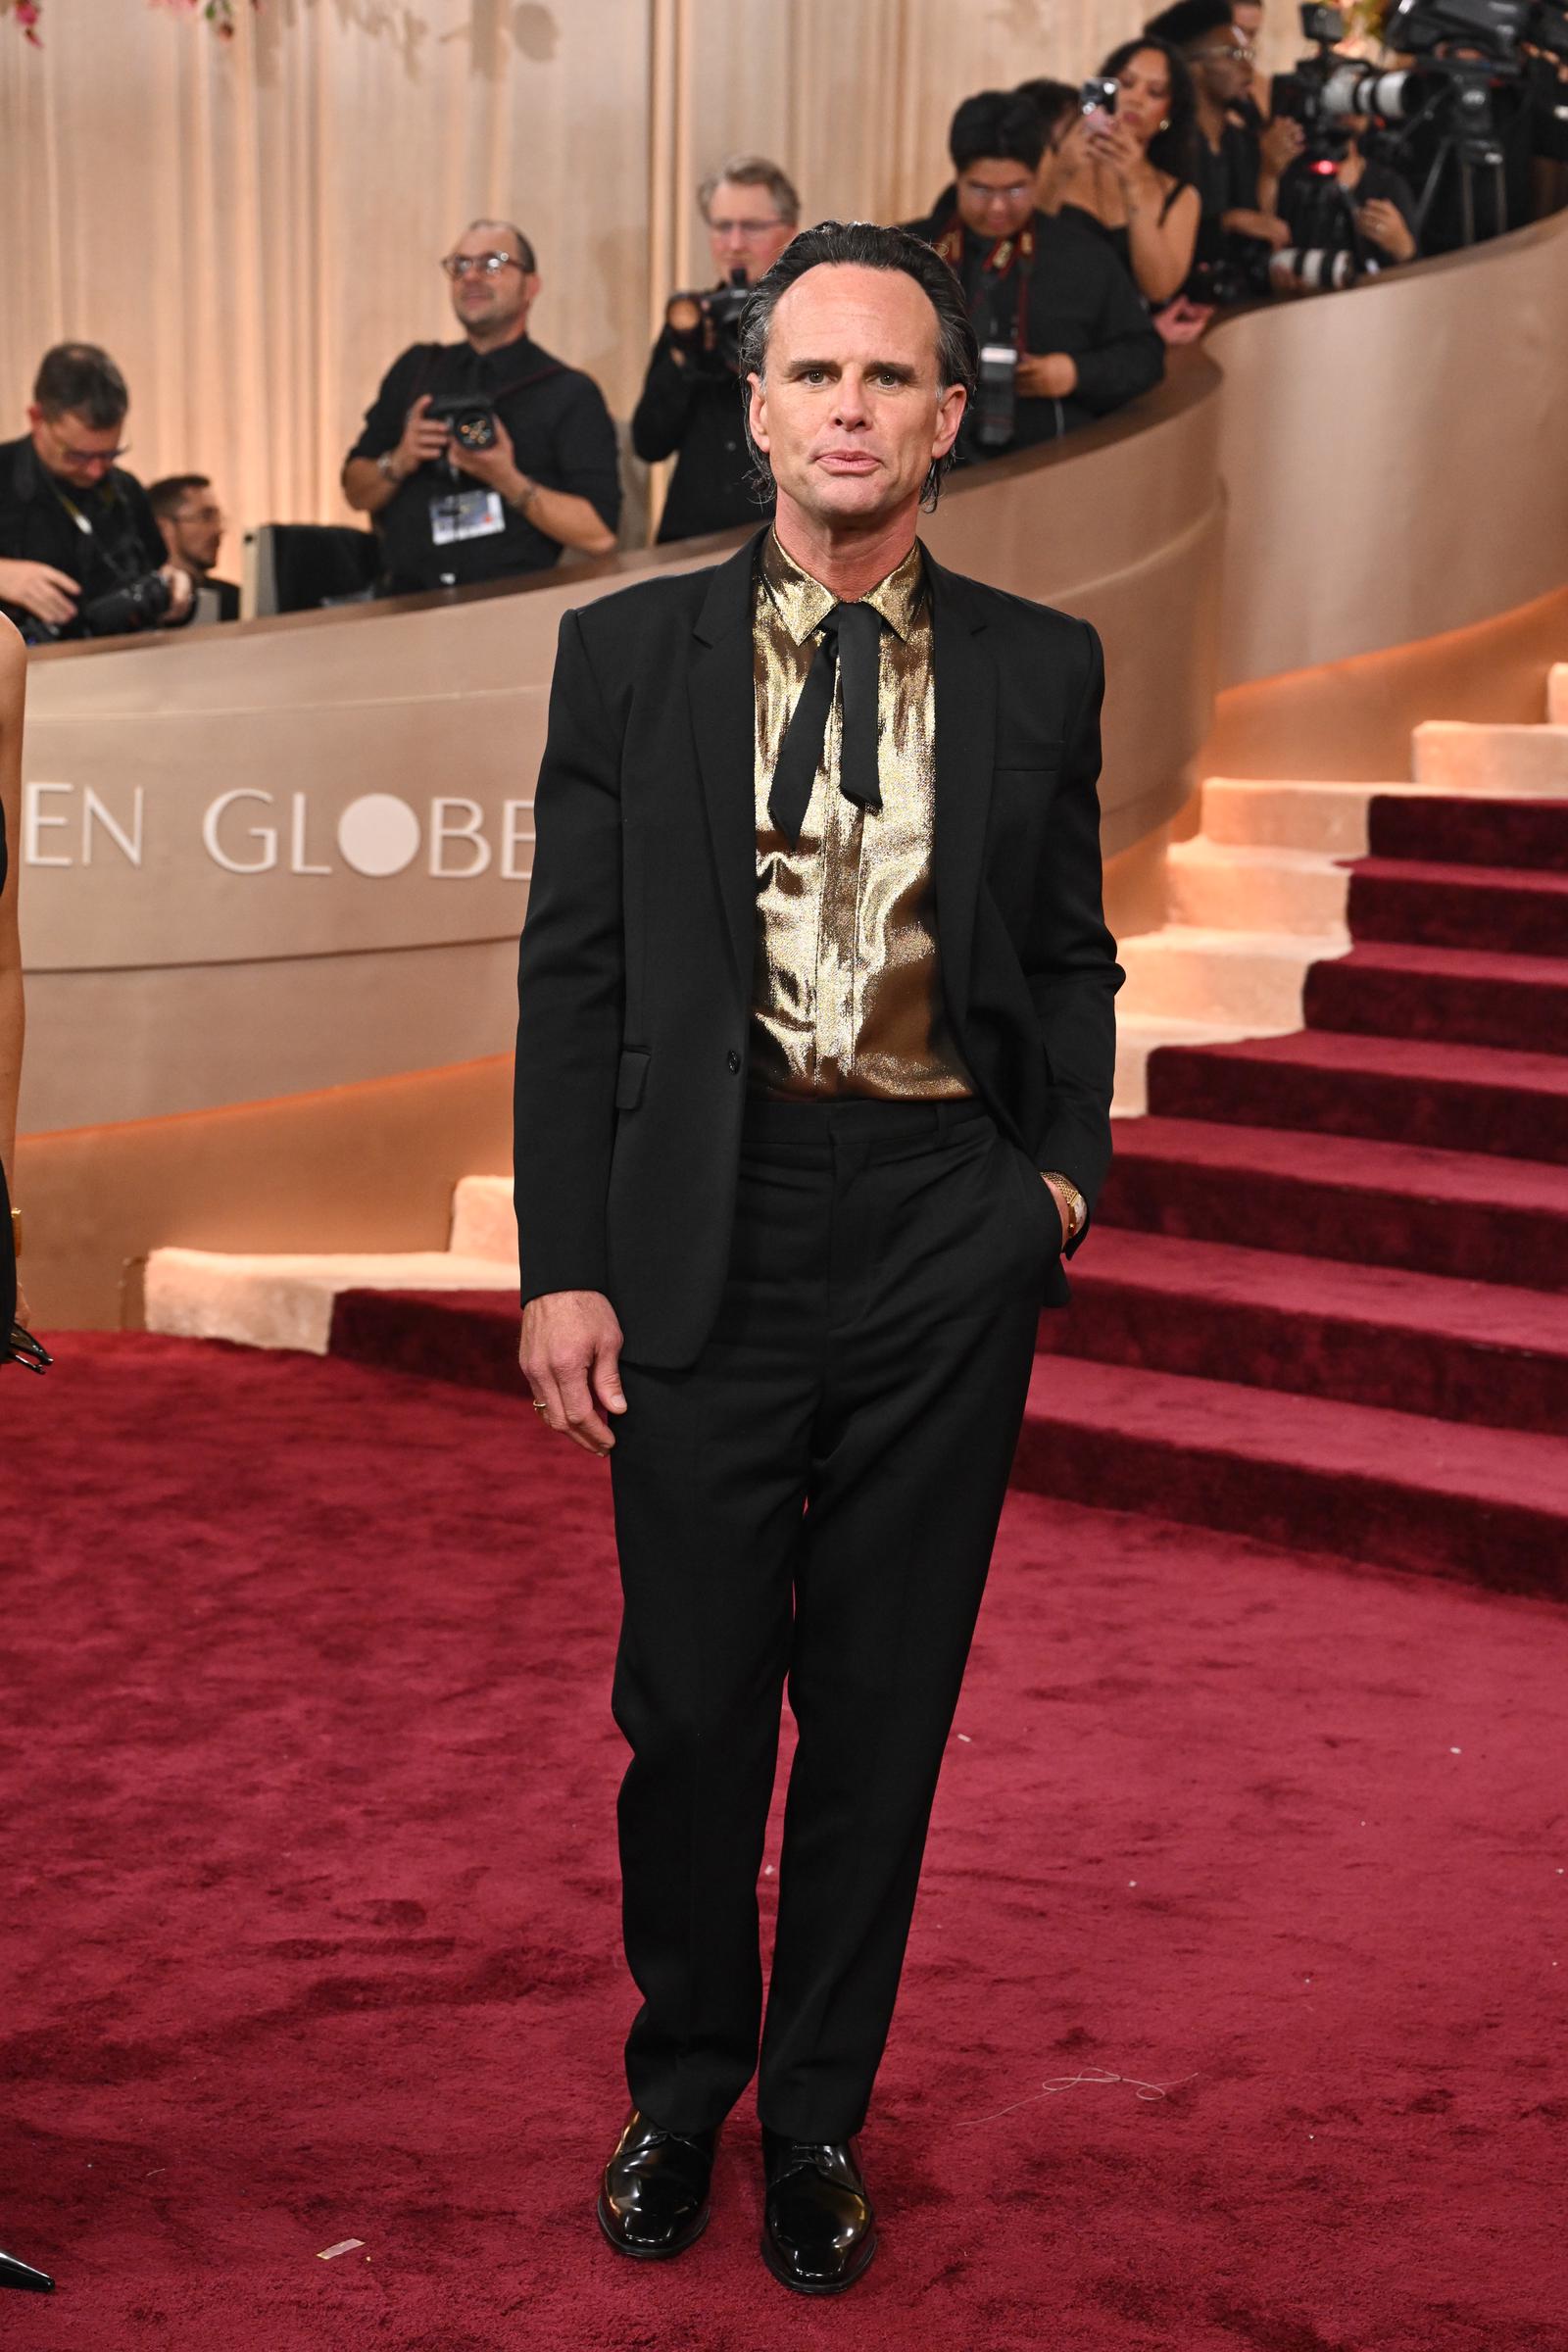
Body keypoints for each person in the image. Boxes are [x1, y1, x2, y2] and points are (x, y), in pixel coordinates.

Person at [513, 219, 1121, 2294]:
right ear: (757, 412)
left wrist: (1055, 1184)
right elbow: (574, 979)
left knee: (881, 1709)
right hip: (707, 1220)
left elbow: (1068, 951)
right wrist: (563, 1260)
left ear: (946, 420)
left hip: (948, 1221)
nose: (849, 410)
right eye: (813, 374)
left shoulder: (1042, 665)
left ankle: (818, 2116)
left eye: (889, 378)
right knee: (690, 1708)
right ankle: (683, 2086)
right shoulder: (626, 655)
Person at [342, 220, 620, 596]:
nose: (471, 276)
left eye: (491, 264)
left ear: (530, 286)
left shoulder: (567, 390)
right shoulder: (417, 369)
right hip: (405, 601)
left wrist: (505, 477)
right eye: (459, 265)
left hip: (510, 604)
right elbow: (356, 492)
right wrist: (399, 460)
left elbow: (599, 535)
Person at [904, 90, 1163, 458]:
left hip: (1049, 462)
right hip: (932, 467)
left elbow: (1146, 356)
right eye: (980, 189)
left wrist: (1074, 373)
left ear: (1038, 175)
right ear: (957, 178)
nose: (997, 208)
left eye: (1015, 189)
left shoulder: (1082, 255)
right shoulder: (911, 253)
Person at [632, 155, 799, 542]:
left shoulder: (813, 321)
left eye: (752, 227)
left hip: (779, 543)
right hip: (690, 541)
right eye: (723, 227)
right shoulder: (693, 321)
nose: (735, 244)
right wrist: (685, 356)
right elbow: (649, 443)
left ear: (790, 232)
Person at [0, 345, 195, 644]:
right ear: (36, 418)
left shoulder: (126, 489)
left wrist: (175, 585)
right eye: (77, 455)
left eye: (109, 454)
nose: (95, 471)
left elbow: (156, 570)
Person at [1146, 0, 1298, 292]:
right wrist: (1226, 222)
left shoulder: (1242, 141)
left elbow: (1264, 229)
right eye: (1233, 54)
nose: (1247, 66)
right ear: (1193, 66)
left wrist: (1269, 173)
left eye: (1248, 52)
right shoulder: (1164, 146)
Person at [1050, 38, 1205, 304]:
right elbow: (1020, 241)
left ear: (1168, 114)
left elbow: (1158, 289)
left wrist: (1134, 184)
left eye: (1155, 92)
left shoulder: (1181, 196)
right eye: (1126, 83)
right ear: (1103, 90)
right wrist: (1060, 171)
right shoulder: (1061, 157)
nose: (1135, 99)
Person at [147, 473, 241, 624]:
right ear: (164, 527)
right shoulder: (145, 607)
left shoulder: (237, 601)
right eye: (205, 517)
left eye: (218, 518)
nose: (218, 529)